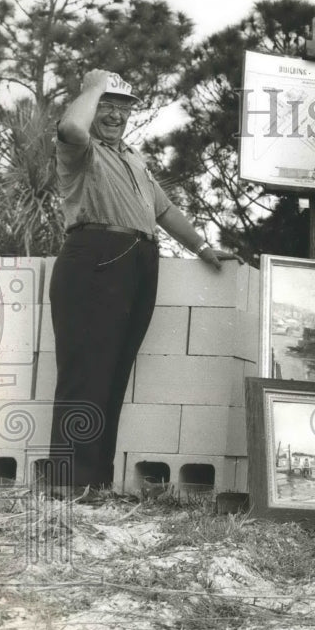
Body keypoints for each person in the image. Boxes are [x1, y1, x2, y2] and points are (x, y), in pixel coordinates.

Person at [43, 70, 239, 498]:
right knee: (85, 372)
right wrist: (91, 86)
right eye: (106, 105)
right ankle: (67, 484)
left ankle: (95, 482)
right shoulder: (80, 150)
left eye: (123, 106)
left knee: (113, 374)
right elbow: (73, 125)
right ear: (94, 105)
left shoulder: (133, 158)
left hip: (138, 261)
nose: (114, 114)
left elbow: (164, 212)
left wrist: (204, 248)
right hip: (94, 256)